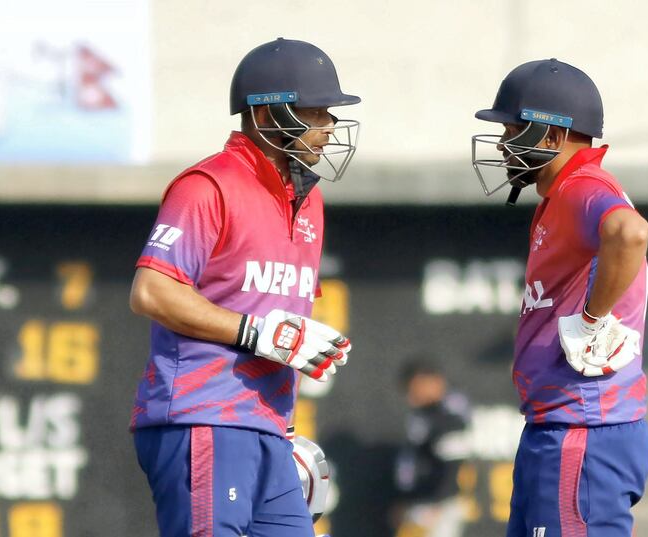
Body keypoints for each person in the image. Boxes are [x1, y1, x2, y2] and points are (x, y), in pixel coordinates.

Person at [128, 38, 359, 537]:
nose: (329, 127)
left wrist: (284, 427)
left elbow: (276, 313)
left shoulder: (308, 201)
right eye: (316, 113)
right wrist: (257, 334)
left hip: (265, 428)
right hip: (204, 417)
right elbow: (151, 292)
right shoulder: (208, 185)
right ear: (268, 115)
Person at [471, 59, 648, 537]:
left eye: (513, 129)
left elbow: (630, 232)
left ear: (551, 137)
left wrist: (593, 319)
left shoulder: (581, 187)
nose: (503, 142)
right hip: (560, 425)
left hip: (583, 425)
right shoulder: (562, 196)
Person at [394, 359, 470, 537]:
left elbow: (453, 466)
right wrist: (405, 499)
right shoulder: (423, 417)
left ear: (436, 382)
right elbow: (411, 463)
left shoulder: (450, 417)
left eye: (417, 387)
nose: (412, 395)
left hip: (438, 505)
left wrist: (439, 501)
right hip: (421, 502)